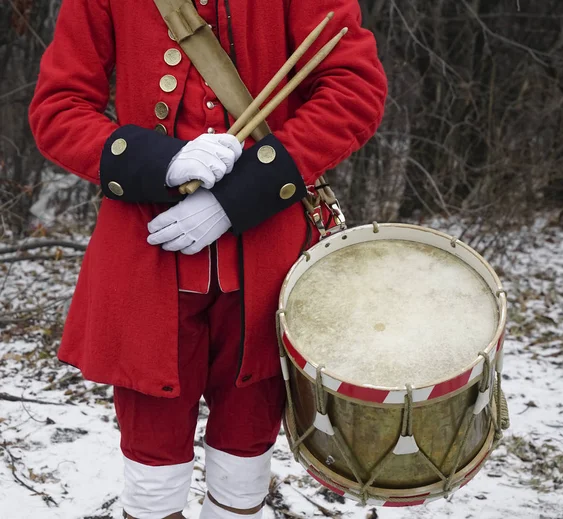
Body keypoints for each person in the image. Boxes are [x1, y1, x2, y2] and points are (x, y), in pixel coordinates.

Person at [29, 0, 387, 518]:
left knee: (244, 468)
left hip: (268, 267)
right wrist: (162, 163)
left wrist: (237, 198)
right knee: (150, 478)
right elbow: (58, 108)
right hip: (147, 258)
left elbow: (354, 90)